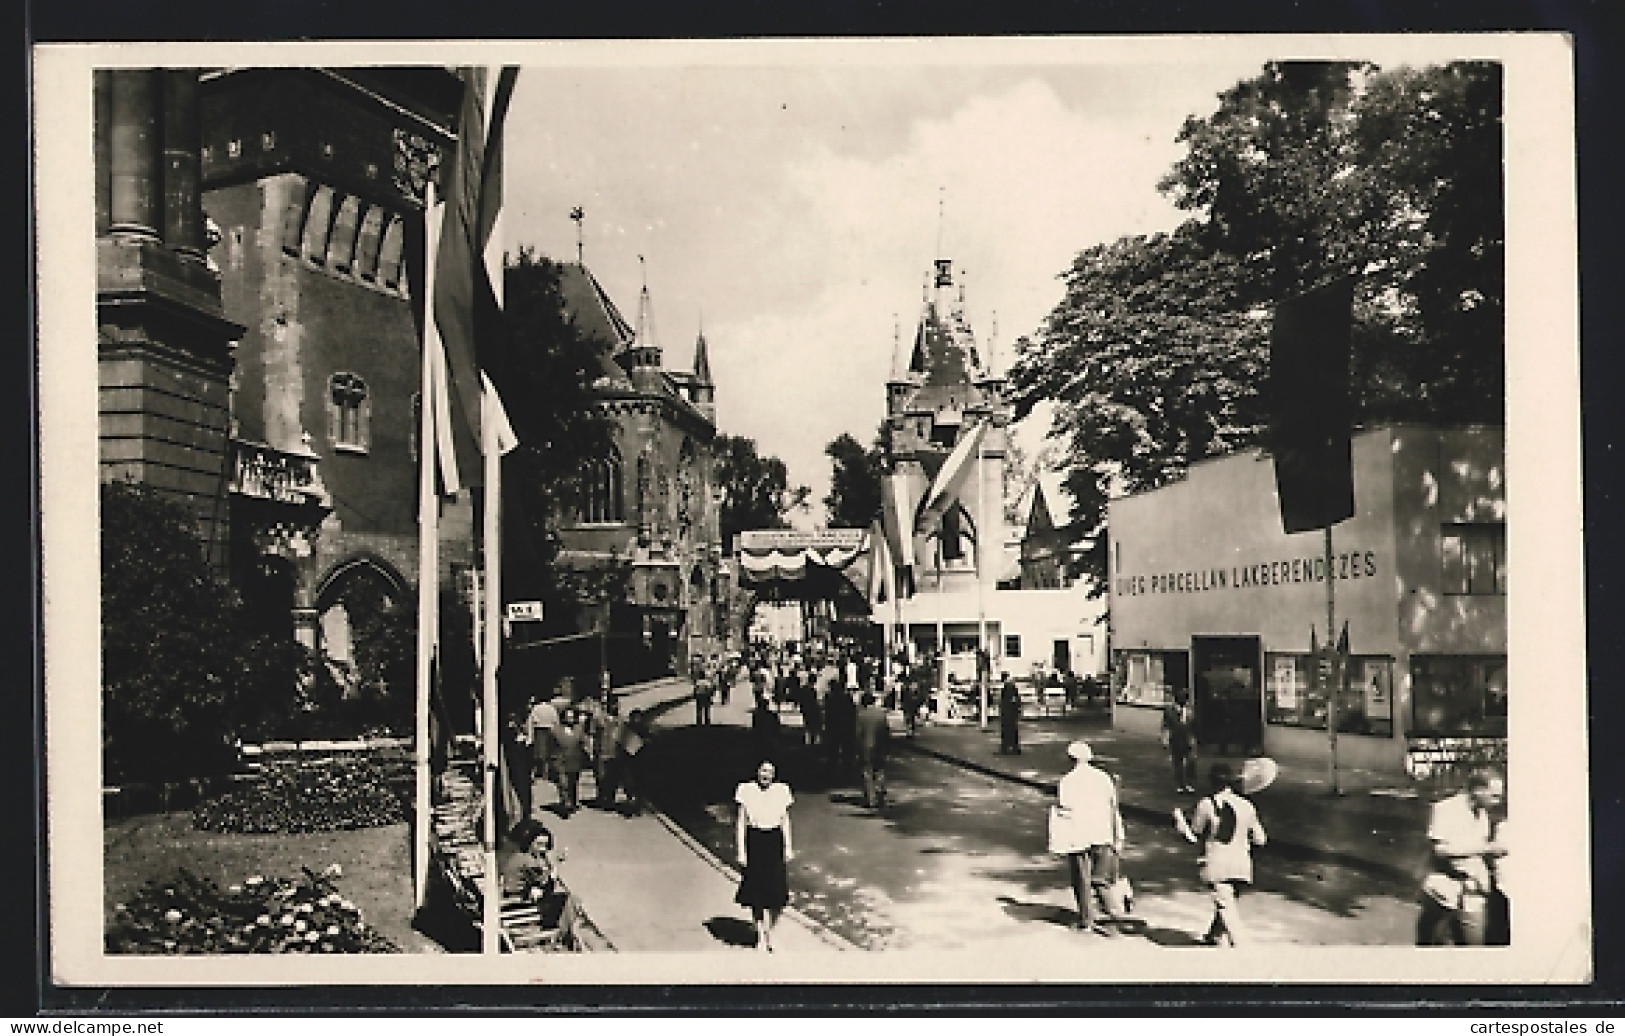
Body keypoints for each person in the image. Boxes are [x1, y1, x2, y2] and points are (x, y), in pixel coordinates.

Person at [1175, 762, 1268, 947]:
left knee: (1227, 908)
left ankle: (1243, 948)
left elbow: (1194, 834)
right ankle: (1214, 937)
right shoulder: (1247, 806)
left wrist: (1180, 822)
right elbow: (1260, 839)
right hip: (1242, 865)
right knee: (1226, 904)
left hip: (1218, 864)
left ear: (1211, 781)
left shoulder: (1207, 804)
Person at [1417, 766, 1508, 947]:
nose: (1498, 802)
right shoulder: (1445, 809)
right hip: (1443, 890)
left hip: (1474, 892)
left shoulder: (1482, 814)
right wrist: (1485, 849)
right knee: (1434, 945)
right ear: (1477, 790)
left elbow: (1478, 852)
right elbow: (1441, 850)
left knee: (1475, 946)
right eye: (1494, 796)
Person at [1051, 740, 1128, 934]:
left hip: (1079, 835)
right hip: (1102, 832)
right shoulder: (1103, 778)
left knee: (1081, 878)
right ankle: (1114, 913)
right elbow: (1113, 807)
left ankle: (1087, 919)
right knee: (1101, 878)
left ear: (1071, 759)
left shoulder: (1067, 781)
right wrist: (1118, 834)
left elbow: (1064, 809)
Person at [734, 759, 795, 952]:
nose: (765, 775)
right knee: (757, 893)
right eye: (762, 770)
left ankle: (772, 934)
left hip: (774, 842)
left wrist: (788, 846)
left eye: (770, 771)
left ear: (775, 774)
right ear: (756, 771)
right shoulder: (746, 790)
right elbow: (741, 823)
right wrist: (741, 851)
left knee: (777, 894)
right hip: (755, 842)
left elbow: (785, 821)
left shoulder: (782, 791)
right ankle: (761, 935)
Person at [854, 691, 891, 809]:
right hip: (880, 747)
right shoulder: (881, 714)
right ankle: (881, 795)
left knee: (867, 772)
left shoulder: (861, 715)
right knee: (880, 770)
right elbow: (886, 732)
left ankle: (871, 799)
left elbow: (857, 734)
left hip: (866, 747)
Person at [551, 708, 588, 817]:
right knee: (563, 783)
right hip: (561, 760)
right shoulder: (555, 730)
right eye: (568, 717)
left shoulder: (578, 729)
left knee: (573, 783)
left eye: (572, 717)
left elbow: (583, 742)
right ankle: (565, 805)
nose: (571, 719)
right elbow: (551, 747)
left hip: (575, 760)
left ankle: (572, 802)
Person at [593, 695, 627, 809]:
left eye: (617, 704)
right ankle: (603, 798)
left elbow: (625, 737)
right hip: (602, 753)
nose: (616, 707)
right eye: (613, 704)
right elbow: (593, 734)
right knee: (602, 778)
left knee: (614, 778)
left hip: (616, 754)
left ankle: (610, 799)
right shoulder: (601, 719)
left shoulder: (621, 720)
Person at [1161, 689, 1197, 792]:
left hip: (1188, 738)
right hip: (1176, 739)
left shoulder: (1189, 711)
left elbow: (1194, 725)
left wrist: (1194, 738)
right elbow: (1166, 726)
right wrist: (1165, 739)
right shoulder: (1169, 711)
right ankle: (1180, 784)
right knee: (1178, 762)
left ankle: (1190, 783)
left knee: (1191, 761)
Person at [822, 679, 857, 780]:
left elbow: (828, 714)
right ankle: (846, 770)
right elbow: (852, 712)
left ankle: (831, 770)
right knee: (846, 750)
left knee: (833, 750)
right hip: (845, 727)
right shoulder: (846, 698)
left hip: (834, 726)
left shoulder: (829, 698)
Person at [524, 693, 561, 784]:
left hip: (539, 731)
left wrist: (530, 736)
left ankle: (540, 771)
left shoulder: (536, 709)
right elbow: (556, 721)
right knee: (549, 753)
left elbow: (531, 721)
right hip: (550, 730)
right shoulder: (551, 708)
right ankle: (547, 772)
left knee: (540, 753)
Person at [750, 692, 782, 766]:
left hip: (762, 738)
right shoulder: (772, 715)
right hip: (769, 738)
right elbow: (777, 727)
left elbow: (755, 728)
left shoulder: (757, 716)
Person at [998, 674, 1022, 755]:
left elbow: (1006, 700)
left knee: (1006, 729)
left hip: (1007, 711)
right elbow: (1016, 699)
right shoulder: (1012, 687)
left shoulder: (1007, 687)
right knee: (1013, 729)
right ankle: (1014, 747)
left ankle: (1005, 747)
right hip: (1011, 711)